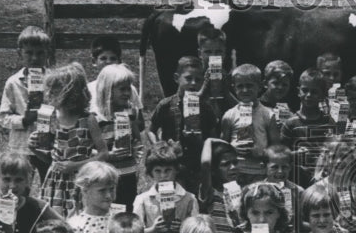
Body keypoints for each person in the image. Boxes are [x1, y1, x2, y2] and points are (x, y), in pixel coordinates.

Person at [31, 63, 109, 218]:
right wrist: (34, 148)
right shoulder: (51, 117)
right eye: (49, 88)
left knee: (79, 216)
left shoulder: (88, 119)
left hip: (81, 178)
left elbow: (104, 153)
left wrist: (75, 165)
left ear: (71, 93)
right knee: (54, 219)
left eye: (56, 88)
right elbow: (50, 158)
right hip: (55, 181)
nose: (50, 92)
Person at [148, 56, 220, 195]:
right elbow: (151, 130)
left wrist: (202, 142)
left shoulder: (205, 107)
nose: (193, 83)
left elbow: (213, 136)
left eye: (198, 80)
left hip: (197, 164)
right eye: (188, 78)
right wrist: (160, 146)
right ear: (177, 78)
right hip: (172, 166)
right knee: (172, 199)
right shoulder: (166, 105)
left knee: (196, 200)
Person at [134, 141, 198, 233]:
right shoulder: (143, 199)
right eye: (158, 171)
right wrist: (152, 230)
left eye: (168, 170)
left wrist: (182, 229)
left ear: (176, 170)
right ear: (150, 173)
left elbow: (196, 232)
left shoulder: (189, 199)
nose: (163, 176)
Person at [0, 25, 52, 182]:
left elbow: (62, 111)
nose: (34, 58)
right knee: (20, 186)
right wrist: (24, 120)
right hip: (21, 146)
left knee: (49, 185)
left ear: (47, 53)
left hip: (48, 146)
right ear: (19, 53)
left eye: (40, 53)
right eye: (29, 53)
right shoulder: (13, 82)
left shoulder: (54, 80)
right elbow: (3, 117)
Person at [92, 63, 144, 207]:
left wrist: (135, 150)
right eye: (122, 89)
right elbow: (87, 150)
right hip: (105, 176)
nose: (127, 93)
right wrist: (108, 154)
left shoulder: (130, 111)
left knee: (126, 210)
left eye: (128, 88)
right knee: (106, 210)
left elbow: (137, 140)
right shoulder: (96, 117)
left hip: (128, 173)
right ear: (106, 89)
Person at [278, 67, 336, 189]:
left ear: (322, 95)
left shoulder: (328, 122)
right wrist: (294, 155)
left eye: (314, 92)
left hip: (322, 181)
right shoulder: (290, 123)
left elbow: (334, 151)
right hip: (297, 181)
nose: (309, 95)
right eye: (305, 90)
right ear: (299, 91)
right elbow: (280, 155)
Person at [220, 63, 273, 183]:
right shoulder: (229, 115)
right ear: (234, 87)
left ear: (260, 86)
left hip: (259, 173)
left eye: (249, 86)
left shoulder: (268, 114)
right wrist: (232, 148)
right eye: (240, 86)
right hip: (235, 172)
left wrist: (261, 153)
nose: (245, 90)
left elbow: (275, 148)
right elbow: (222, 147)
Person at [68, 161, 119, 233]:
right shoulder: (76, 225)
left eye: (112, 189)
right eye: (102, 191)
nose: (108, 195)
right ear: (85, 191)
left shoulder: (119, 217)